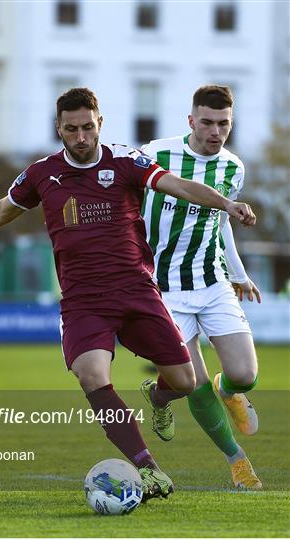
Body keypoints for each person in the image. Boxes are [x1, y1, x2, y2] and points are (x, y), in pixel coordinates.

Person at [0, 87, 256, 500]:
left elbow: (177, 186)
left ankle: (158, 396)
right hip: (83, 301)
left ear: (100, 124)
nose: (81, 137)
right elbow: (1, 210)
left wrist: (225, 204)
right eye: (71, 129)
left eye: (88, 127)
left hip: (137, 292)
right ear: (59, 128)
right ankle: (147, 468)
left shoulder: (127, 160)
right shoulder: (42, 173)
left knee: (184, 381)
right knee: (92, 376)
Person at [140, 85, 262, 490]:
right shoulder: (155, 154)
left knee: (244, 375)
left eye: (223, 123)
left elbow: (221, 222)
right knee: (187, 384)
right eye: (207, 122)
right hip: (163, 288)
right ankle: (236, 460)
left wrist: (239, 272)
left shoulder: (233, 168)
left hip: (211, 281)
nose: (215, 131)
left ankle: (229, 392)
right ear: (191, 120)